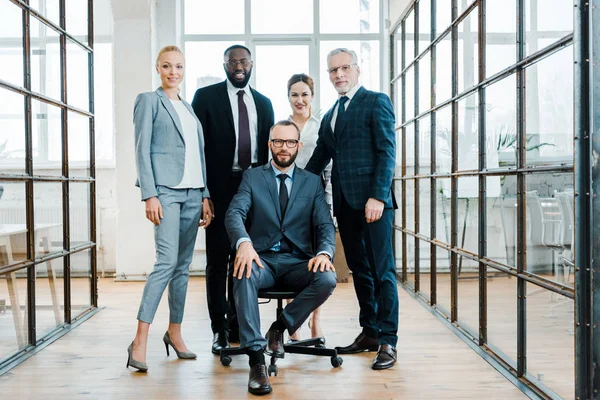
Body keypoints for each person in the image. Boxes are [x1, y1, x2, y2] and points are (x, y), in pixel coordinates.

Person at [225, 120, 336, 395]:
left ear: (298, 146)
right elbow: (234, 213)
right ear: (269, 145)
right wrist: (244, 243)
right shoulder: (253, 177)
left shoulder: (311, 182)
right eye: (278, 142)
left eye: (290, 142)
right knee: (243, 270)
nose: (283, 148)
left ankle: (279, 326)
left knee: (327, 278)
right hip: (261, 259)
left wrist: (323, 252)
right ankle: (255, 359)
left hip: (299, 261)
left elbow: (324, 224)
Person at [305, 48, 399, 370]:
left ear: (357, 70)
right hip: (345, 205)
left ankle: (388, 340)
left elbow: (387, 151)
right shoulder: (331, 113)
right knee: (360, 271)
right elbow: (319, 158)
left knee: (382, 271)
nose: (339, 75)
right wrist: (289, 184)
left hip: (374, 204)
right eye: (333, 71)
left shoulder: (376, 101)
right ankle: (370, 332)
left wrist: (379, 196)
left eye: (344, 68)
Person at [128, 45, 212, 372]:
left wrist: (205, 194)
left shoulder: (188, 108)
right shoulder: (149, 101)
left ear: (184, 68)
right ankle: (140, 338)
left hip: (193, 194)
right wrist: (149, 194)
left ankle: (175, 332)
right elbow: (141, 150)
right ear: (158, 68)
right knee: (166, 262)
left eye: (178, 66)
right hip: (165, 192)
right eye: (166, 66)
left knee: (183, 266)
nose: (173, 72)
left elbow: (197, 155)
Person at [192, 45, 275, 354]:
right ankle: (219, 330)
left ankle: (239, 325)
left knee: (246, 259)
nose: (239, 66)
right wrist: (204, 194)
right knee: (217, 260)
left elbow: (268, 154)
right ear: (224, 65)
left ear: (251, 64)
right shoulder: (206, 97)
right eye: (232, 62)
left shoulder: (264, 103)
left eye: (244, 61)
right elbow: (196, 150)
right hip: (219, 186)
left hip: (253, 187)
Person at [285, 73, 332, 341]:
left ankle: (316, 321)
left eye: (304, 94)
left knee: (317, 258)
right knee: (295, 256)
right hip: (289, 198)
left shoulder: (322, 123)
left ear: (312, 96)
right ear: (288, 97)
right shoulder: (282, 125)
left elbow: (329, 164)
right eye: (294, 95)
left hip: (316, 195)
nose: (299, 100)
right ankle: (294, 321)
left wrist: (329, 200)